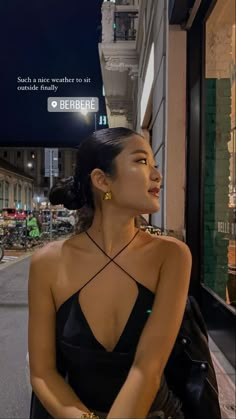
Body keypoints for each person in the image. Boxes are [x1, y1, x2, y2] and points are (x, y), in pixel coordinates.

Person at [28, 127, 192, 419]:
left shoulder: (172, 255)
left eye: (154, 164)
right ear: (102, 180)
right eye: (142, 161)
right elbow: (42, 372)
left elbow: (148, 368)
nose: (157, 175)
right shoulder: (47, 263)